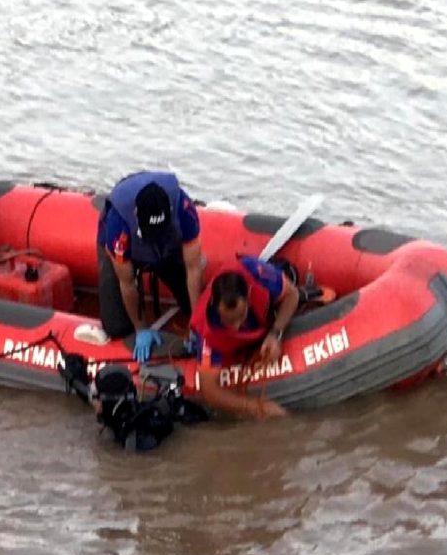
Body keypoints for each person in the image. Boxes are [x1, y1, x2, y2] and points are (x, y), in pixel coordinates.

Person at [96, 171, 204, 362]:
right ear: (137, 215)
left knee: (198, 308)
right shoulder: (118, 225)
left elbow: (194, 268)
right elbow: (126, 283)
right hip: (130, 248)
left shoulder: (184, 210)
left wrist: (197, 323)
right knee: (116, 327)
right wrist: (141, 328)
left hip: (167, 249)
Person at [189, 255, 300, 419]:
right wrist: (255, 407)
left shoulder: (256, 273)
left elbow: (292, 295)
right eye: (228, 321)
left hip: (264, 321)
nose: (235, 326)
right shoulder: (207, 331)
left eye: (240, 317)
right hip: (229, 347)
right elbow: (210, 391)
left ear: (248, 297)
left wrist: (275, 334)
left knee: (286, 273)